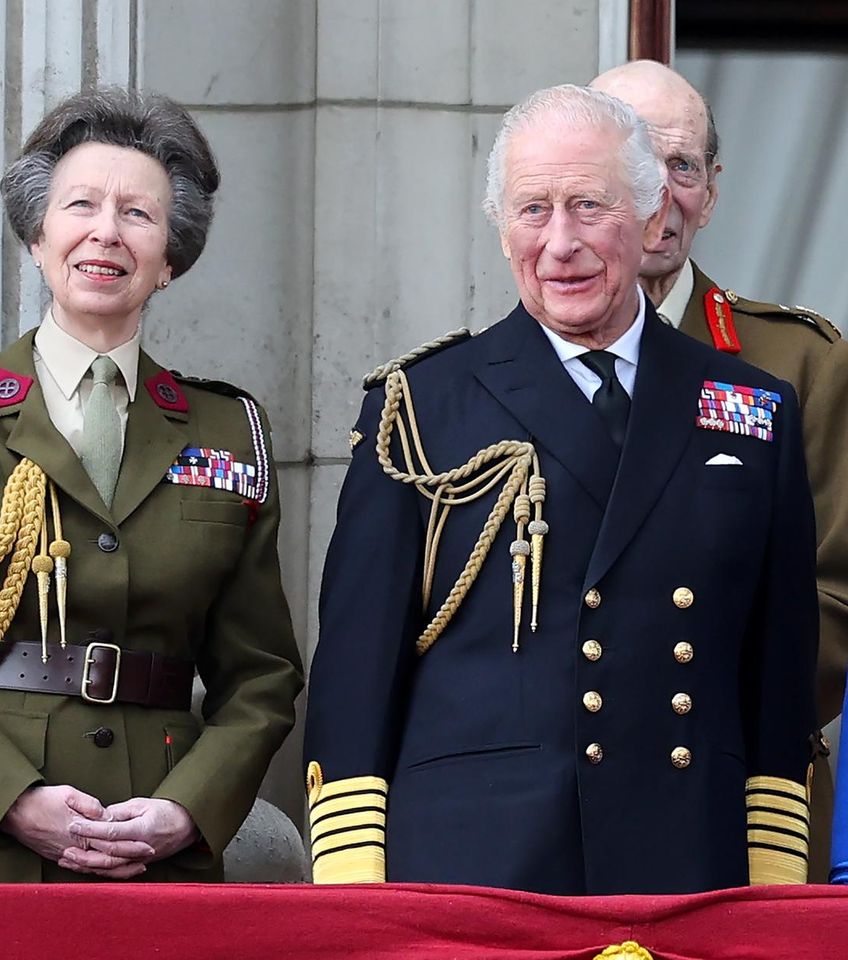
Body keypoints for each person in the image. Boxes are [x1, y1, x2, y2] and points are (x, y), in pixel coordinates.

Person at [304, 84, 817, 895]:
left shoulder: (755, 408)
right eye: (532, 210)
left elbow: (778, 670)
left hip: (686, 858)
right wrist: (354, 882)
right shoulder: (417, 407)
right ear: (502, 229)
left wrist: (774, 878)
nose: (561, 242)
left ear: (651, 219)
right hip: (475, 863)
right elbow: (356, 668)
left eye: (589, 206)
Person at [0, 89, 302, 882]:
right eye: (82, 204)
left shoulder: (228, 429)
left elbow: (263, 674)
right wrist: (8, 796)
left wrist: (191, 807)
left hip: (154, 849)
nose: (105, 232)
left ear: (170, 260)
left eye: (138, 214)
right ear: (39, 233)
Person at [591, 59, 848, 882]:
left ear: (714, 187)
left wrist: (704, 712)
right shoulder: (491, 372)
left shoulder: (796, 361)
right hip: (560, 793)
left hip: (746, 786)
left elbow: (836, 593)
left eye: (684, 167)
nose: (663, 194)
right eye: (637, 164)